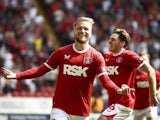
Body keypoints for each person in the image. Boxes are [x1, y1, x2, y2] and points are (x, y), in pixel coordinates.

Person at [1, 17, 130, 120]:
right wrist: (17, 76)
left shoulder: (96, 57)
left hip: (81, 112)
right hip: (60, 108)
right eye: (80, 28)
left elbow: (105, 80)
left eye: (86, 29)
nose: (83, 31)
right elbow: (41, 70)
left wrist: (118, 90)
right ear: (74, 30)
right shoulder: (61, 53)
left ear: (91, 33)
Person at [98, 28, 159, 120]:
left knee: (102, 119)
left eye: (113, 39)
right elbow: (100, 75)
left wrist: (153, 95)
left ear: (122, 44)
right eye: (110, 39)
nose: (110, 41)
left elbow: (150, 70)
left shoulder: (128, 55)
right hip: (113, 102)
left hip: (124, 102)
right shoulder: (106, 57)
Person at [133, 52, 160, 120]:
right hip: (137, 106)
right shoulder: (134, 74)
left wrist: (156, 91)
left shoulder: (155, 73)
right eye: (141, 60)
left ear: (148, 60)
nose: (143, 62)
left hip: (150, 105)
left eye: (145, 59)